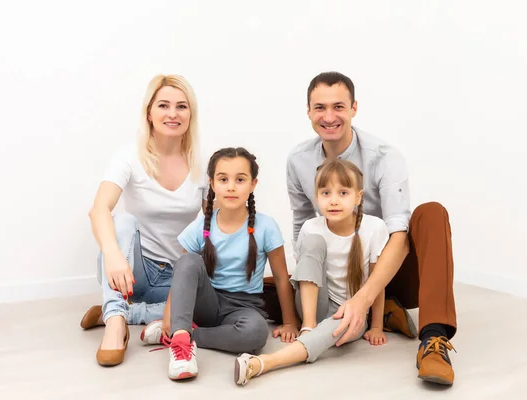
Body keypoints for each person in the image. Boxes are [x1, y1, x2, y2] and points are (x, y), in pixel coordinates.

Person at [267, 71, 458, 386]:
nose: (329, 117)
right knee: (258, 292)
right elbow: (302, 223)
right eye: (320, 108)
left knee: (431, 214)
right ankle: (383, 313)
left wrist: (364, 298)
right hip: (336, 278)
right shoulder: (298, 159)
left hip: (388, 272)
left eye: (339, 107)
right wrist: (307, 278)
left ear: (354, 108)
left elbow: (400, 236)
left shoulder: (385, 157)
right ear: (308, 112)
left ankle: (433, 340)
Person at [79, 74, 208, 367]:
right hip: (130, 271)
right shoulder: (129, 157)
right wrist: (113, 257)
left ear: (191, 114)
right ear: (149, 113)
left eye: (181, 106)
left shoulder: (202, 164)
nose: (173, 114)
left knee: (205, 308)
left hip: (175, 278)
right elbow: (99, 209)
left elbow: (212, 226)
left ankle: (121, 313)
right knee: (122, 222)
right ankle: (115, 323)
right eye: (163, 105)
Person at [143, 147, 299, 381]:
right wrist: (168, 316)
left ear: (253, 184)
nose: (231, 187)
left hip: (244, 308)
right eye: (223, 179)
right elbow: (183, 276)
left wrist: (289, 322)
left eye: (240, 179)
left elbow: (280, 277)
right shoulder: (200, 227)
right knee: (188, 260)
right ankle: (181, 344)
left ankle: (184, 334)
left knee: (256, 333)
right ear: (212, 184)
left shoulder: (267, 227)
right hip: (206, 301)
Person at [234, 158, 389, 386]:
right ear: (317, 197)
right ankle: (309, 327)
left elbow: (377, 282)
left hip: (350, 312)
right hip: (314, 306)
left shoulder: (374, 228)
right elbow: (306, 274)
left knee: (336, 326)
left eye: (343, 193)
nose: (333, 201)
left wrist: (376, 326)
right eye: (326, 193)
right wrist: (303, 323)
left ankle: (264, 363)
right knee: (313, 242)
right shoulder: (311, 228)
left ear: (358, 196)